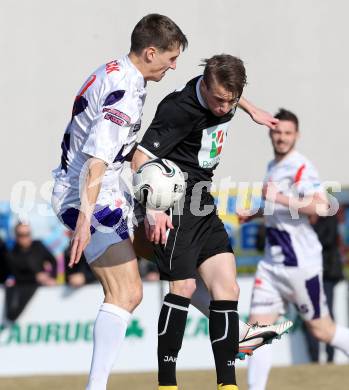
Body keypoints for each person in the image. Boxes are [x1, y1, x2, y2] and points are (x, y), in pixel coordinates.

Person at [132, 55, 292, 390]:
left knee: (227, 288)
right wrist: (152, 209)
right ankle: (167, 384)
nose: (224, 108)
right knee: (184, 287)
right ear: (204, 84)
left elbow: (231, 94)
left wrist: (250, 109)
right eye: (219, 99)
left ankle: (227, 385)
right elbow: (140, 158)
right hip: (173, 204)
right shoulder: (178, 109)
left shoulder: (228, 95)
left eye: (231, 100)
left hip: (203, 202)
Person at [51, 14, 188, 390]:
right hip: (88, 194)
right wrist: (84, 219)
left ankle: (234, 328)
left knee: (169, 249)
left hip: (107, 188)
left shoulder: (115, 70)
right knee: (126, 292)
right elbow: (96, 161)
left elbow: (112, 151)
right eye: (171, 58)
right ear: (150, 52)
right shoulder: (126, 92)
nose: (173, 66)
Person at [236, 109, 349, 390]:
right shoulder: (273, 165)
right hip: (272, 265)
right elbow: (280, 207)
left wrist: (279, 197)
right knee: (256, 333)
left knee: (322, 331)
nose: (282, 137)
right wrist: (256, 213)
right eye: (277, 132)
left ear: (296, 135)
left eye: (288, 133)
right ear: (270, 133)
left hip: (302, 265)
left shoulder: (301, 166)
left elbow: (321, 206)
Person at [303, 213, 344, 362]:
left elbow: (326, 241)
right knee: (308, 314)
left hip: (327, 274)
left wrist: (308, 230)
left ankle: (330, 357)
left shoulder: (329, 219)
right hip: (307, 275)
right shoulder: (301, 220)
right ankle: (313, 358)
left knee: (328, 314)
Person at [4, 222, 57, 321]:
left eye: (27, 234)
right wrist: (36, 277)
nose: (25, 238)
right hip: (26, 289)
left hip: (45, 291)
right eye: (21, 235)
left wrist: (50, 277)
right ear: (16, 236)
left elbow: (53, 262)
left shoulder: (38, 246)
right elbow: (18, 276)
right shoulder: (12, 254)